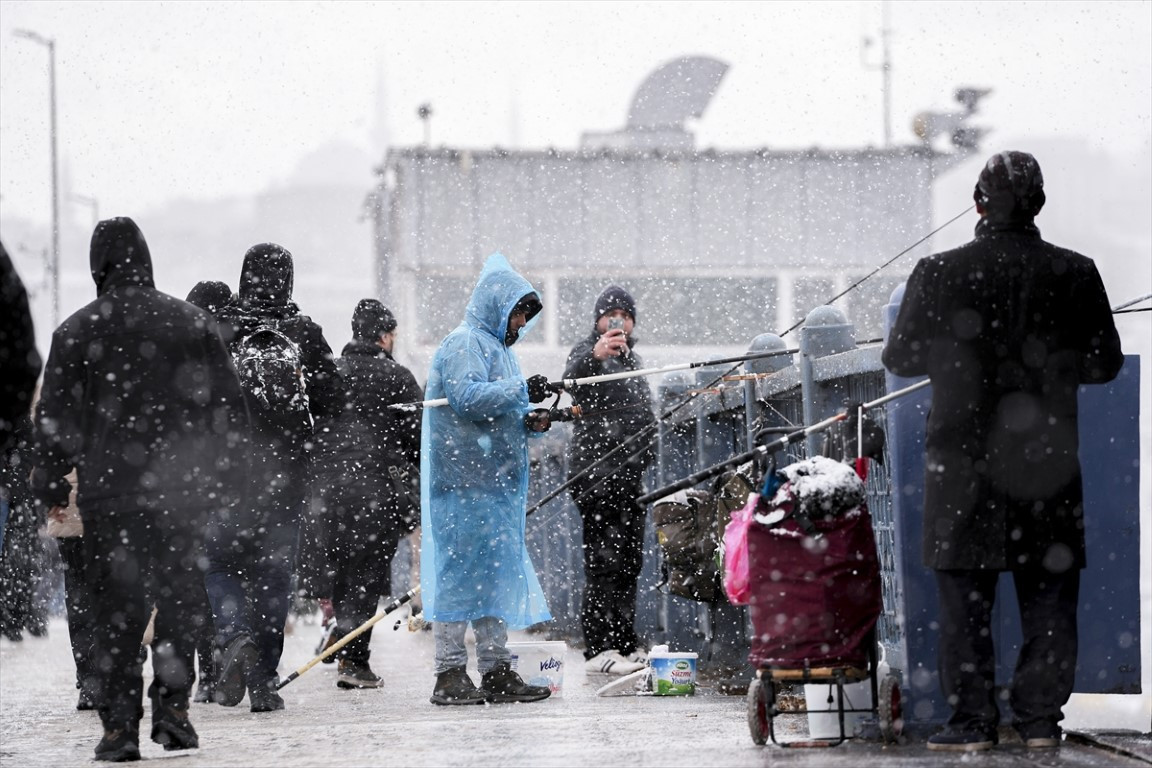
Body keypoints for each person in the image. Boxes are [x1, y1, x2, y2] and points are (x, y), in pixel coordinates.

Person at [882, 151, 1124, 753]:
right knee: (1048, 596)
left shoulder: (937, 272)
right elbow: (1105, 362)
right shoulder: (1076, 272)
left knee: (964, 601)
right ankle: (1039, 720)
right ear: (1039, 203)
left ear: (978, 202)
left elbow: (900, 358)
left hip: (961, 464)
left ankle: (971, 723)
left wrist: (960, 357)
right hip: (1047, 463)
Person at [30, 217, 248, 761]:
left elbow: (54, 418)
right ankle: (173, 713)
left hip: (111, 494)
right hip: (182, 492)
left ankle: (119, 728)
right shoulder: (193, 324)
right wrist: (227, 477)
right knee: (179, 602)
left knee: (117, 609)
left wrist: (52, 480)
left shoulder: (77, 331)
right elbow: (229, 411)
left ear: (97, 265)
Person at [205, 243, 343, 713]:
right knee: (272, 578)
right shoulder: (303, 330)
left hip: (227, 481)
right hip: (286, 482)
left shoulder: (222, 328)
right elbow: (332, 400)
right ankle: (264, 681)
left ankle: (233, 633)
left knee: (219, 563)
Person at [421, 252, 554, 705]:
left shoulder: (498, 350)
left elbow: (496, 412)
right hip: (462, 484)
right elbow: (466, 397)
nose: (520, 322)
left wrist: (528, 419)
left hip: (493, 487)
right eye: (517, 311)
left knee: (492, 578)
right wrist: (521, 392)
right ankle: (449, 673)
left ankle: (496, 670)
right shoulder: (465, 344)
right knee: (459, 577)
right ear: (498, 305)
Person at [311, 299, 423, 689]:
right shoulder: (397, 377)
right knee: (366, 575)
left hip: (327, 492)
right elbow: (418, 439)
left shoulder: (332, 374)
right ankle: (354, 660)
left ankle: (345, 642)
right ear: (383, 336)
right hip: (375, 491)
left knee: (342, 571)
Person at [563, 285, 656, 676]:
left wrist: (645, 449)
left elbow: (643, 411)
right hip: (596, 476)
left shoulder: (635, 359)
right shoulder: (586, 353)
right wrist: (595, 355)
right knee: (603, 562)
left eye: (625, 315)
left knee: (630, 562)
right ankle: (598, 647)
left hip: (629, 477)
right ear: (598, 320)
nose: (618, 321)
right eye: (611, 314)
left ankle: (624, 642)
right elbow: (568, 383)